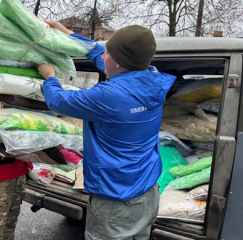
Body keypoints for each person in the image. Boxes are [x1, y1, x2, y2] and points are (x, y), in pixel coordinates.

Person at [38, 22, 177, 239]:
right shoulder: (153, 80)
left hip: (115, 199)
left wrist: (50, 77)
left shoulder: (109, 96)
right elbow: (98, 52)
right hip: (148, 192)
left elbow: (57, 101)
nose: (103, 57)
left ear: (120, 63)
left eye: (108, 54)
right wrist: (64, 31)